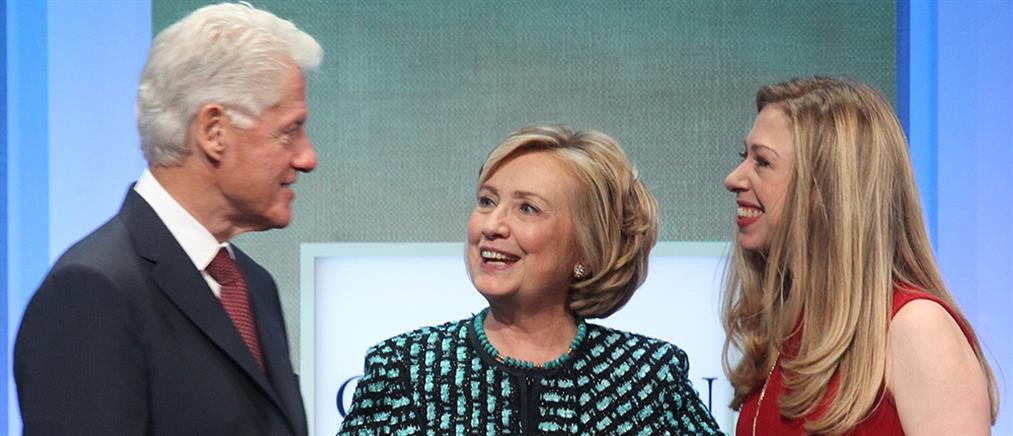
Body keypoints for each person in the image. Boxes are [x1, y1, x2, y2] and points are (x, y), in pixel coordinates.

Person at [14, 3, 322, 435]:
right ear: (213, 132)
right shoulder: (93, 291)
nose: (307, 158)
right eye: (289, 131)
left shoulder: (252, 285)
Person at [339, 125, 722, 434]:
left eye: (527, 208)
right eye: (487, 201)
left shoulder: (648, 377)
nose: (492, 225)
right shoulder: (404, 368)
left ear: (586, 249)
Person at [722, 77, 998, 435]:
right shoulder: (784, 329)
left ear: (826, 187)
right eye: (744, 157)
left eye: (762, 162)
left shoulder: (917, 329)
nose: (733, 178)